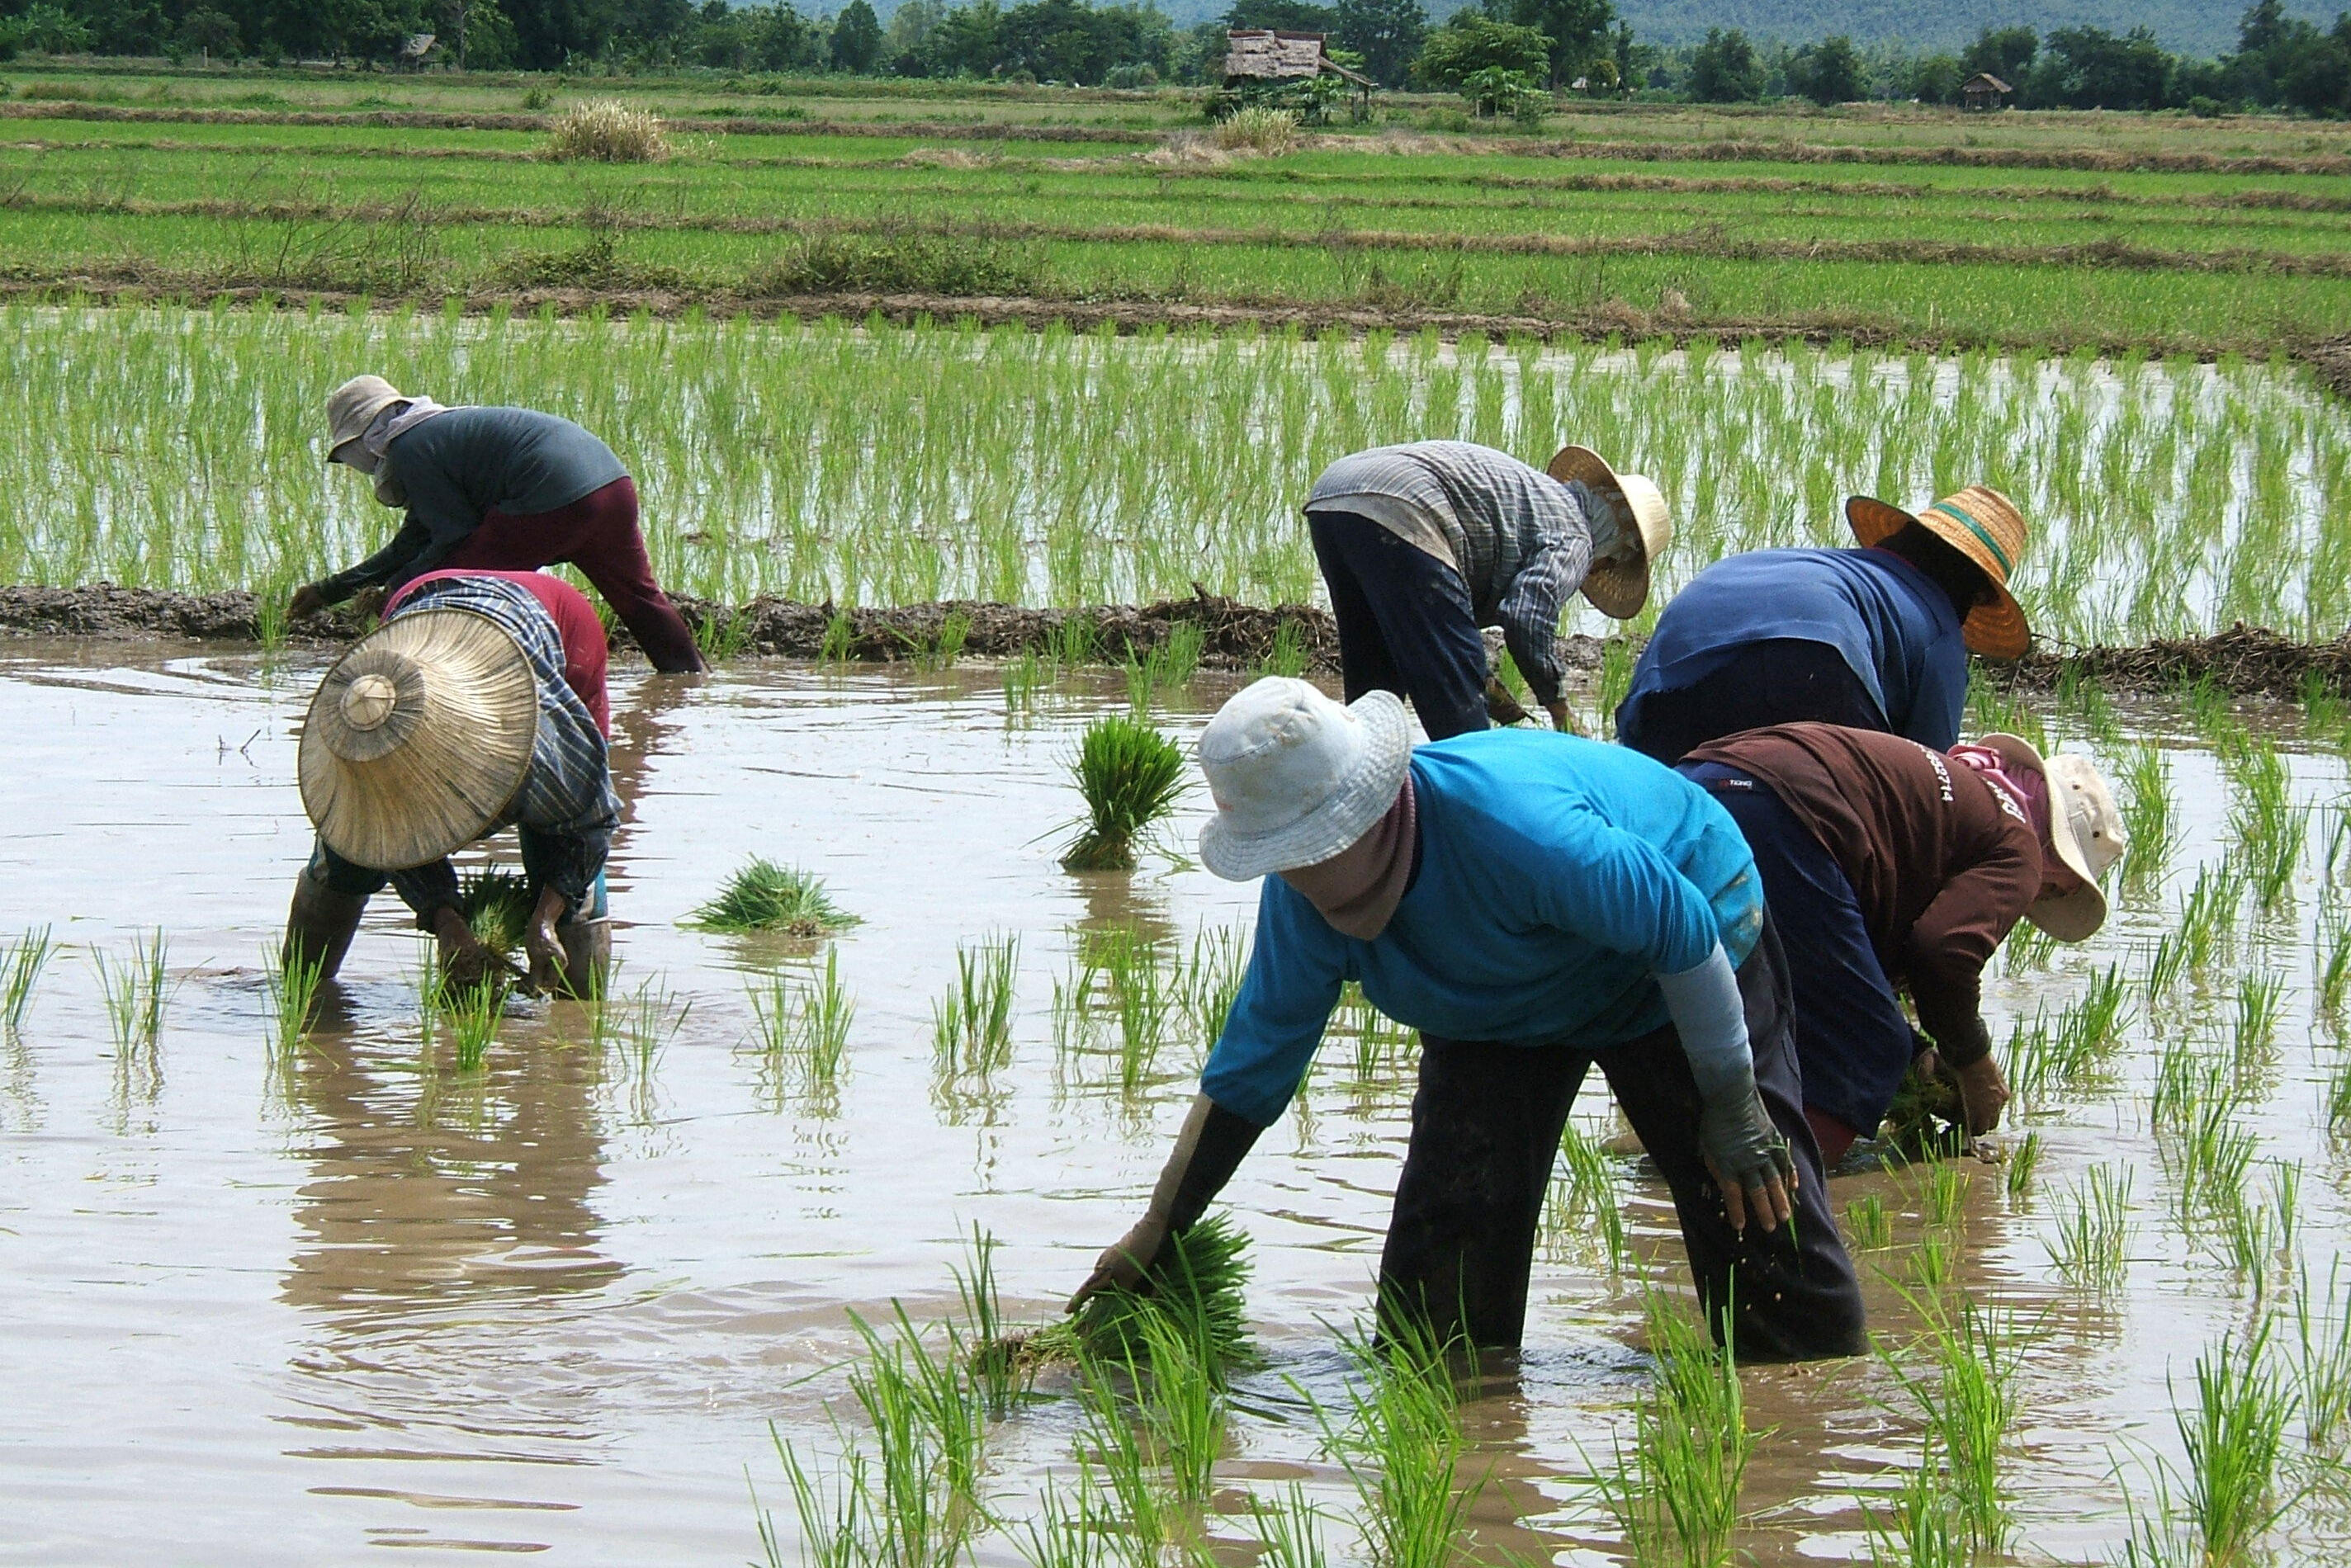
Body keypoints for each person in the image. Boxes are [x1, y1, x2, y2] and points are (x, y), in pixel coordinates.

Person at [1070, 678, 1865, 1362]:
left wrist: (1730, 1101)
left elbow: (1682, 929)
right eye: (1282, 855)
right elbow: (1254, 1066)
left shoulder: (1518, 830)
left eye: (1317, 846)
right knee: (1436, 1302)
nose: (1302, 874)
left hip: (1677, 963)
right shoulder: (1303, 904)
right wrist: (1160, 1226)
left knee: (1755, 1210)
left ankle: (1810, 1417)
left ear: (1376, 804)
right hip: (1497, 1012)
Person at [1677, 723, 2125, 1164]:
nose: (2042, 897)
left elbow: (1841, 975)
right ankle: (1766, 1189)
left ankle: (1667, 1156)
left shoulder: (1962, 802)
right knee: (1867, 1048)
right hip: (1784, 814)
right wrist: (1973, 1063)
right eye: (2058, 889)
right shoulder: (2020, 843)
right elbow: (1943, 953)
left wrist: (1919, 1062)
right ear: (2060, 868)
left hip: (1703, 780)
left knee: (1729, 1004)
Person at [281, 570, 621, 998]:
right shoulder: (362, 720)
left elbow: (590, 819)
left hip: (555, 625)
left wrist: (546, 918)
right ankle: (301, 993)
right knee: (348, 847)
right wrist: (447, 923)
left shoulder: (533, 740)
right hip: (419, 620)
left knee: (559, 850)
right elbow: (389, 840)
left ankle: (581, 1015)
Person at [286, 375, 706, 673]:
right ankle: (687, 679)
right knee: (638, 598)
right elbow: (415, 539)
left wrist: (397, 591)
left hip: (550, 498)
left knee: (456, 585)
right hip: (610, 487)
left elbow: (455, 537)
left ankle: (463, 678)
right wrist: (332, 590)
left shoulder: (412, 448)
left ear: (363, 437)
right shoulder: (431, 436)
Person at [1615, 485, 2029, 763]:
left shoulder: (1829, 566)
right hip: (1813, 656)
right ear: (1976, 594)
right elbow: (1929, 774)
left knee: (1665, 824)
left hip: (1680, 649)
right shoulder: (1939, 629)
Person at [1303, 441, 1671, 741]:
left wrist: (1479, 674)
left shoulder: (1539, 499)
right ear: (1612, 552)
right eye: (1606, 565)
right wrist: (1560, 709)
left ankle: (1367, 813)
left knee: (1374, 690)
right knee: (1463, 729)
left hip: (1334, 494)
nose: (1597, 569)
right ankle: (1463, 819)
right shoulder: (1576, 537)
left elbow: (1432, 618)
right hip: (1406, 505)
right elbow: (1526, 616)